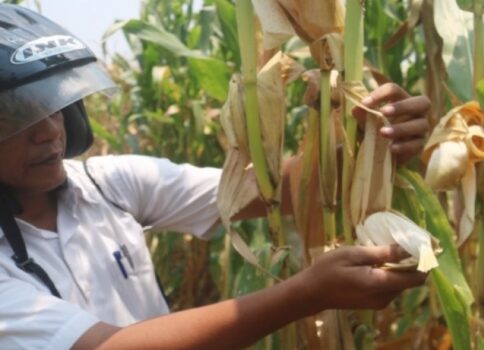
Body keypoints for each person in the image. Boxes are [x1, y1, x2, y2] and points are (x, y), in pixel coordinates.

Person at [0, 4, 433, 350]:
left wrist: (366, 140)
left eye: (54, 105)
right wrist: (305, 294)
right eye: (17, 117)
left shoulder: (107, 185)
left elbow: (273, 190)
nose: (49, 131)